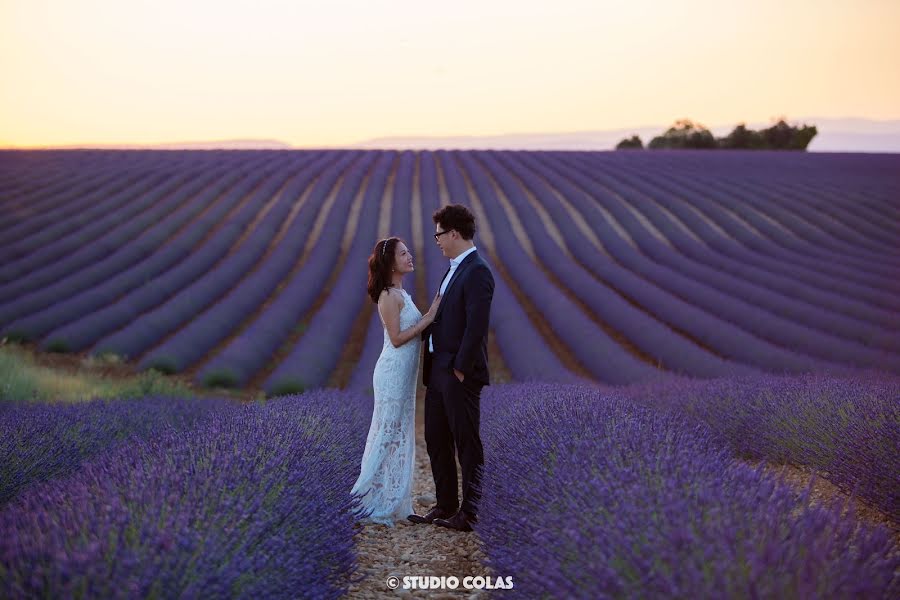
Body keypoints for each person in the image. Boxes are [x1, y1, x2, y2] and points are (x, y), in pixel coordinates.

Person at [408, 204, 495, 532]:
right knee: (436, 438)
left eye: (439, 235)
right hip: (439, 371)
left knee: (467, 443)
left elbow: (477, 326)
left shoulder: (477, 271)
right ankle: (445, 505)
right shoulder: (455, 268)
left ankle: (469, 513)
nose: (437, 241)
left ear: (455, 233)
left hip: (458, 372)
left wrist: (460, 369)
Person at [351, 236, 441, 526]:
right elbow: (397, 339)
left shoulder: (402, 293)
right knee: (387, 433)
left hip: (403, 375)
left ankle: (392, 498)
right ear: (391, 264)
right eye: (404, 254)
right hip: (391, 373)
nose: (410, 256)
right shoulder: (389, 296)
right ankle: (363, 500)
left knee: (398, 431)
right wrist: (427, 319)